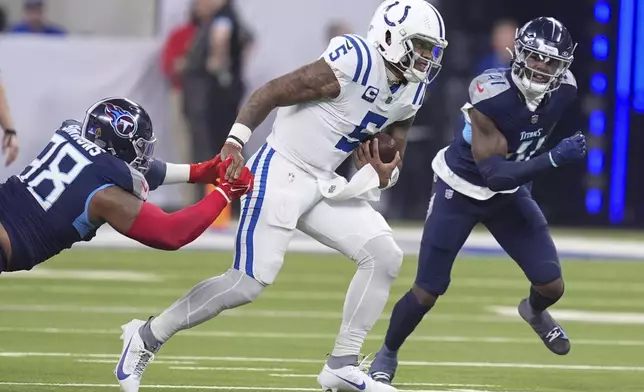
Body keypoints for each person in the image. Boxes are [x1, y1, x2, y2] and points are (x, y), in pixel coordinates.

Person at [114, 1, 448, 392]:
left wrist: (383, 174)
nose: (427, 57)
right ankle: (147, 336)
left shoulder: (413, 87)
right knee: (247, 283)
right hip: (283, 170)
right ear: (391, 38)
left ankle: (341, 364)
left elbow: (395, 158)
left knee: (385, 255)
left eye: (432, 48)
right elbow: (270, 92)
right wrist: (235, 141)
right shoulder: (355, 60)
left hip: (326, 182)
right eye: (421, 46)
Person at [367, 17, 586, 385]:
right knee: (427, 291)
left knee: (552, 285)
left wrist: (530, 163)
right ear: (517, 53)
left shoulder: (565, 89)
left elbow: (522, 143)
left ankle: (533, 312)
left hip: (509, 192)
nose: (540, 67)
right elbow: (495, 175)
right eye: (533, 56)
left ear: (562, 66)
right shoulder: (490, 93)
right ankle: (387, 352)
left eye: (550, 62)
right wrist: (553, 158)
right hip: (461, 189)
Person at [0, 97, 253, 275]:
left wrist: (198, 172)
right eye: (140, 147)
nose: (145, 156)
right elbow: (171, 232)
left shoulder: (74, 137)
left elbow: (141, 169)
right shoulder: (106, 196)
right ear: (117, 146)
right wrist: (226, 192)